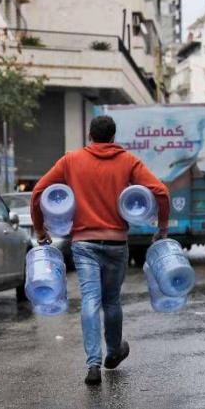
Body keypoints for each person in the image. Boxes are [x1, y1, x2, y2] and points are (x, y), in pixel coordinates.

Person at [30, 115, 170, 386]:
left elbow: (38, 192)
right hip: (116, 242)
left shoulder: (71, 160)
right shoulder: (127, 161)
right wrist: (162, 228)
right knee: (112, 301)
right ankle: (114, 351)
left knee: (90, 301)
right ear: (113, 137)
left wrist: (39, 230)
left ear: (90, 136)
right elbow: (161, 191)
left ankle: (93, 364)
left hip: (84, 244)